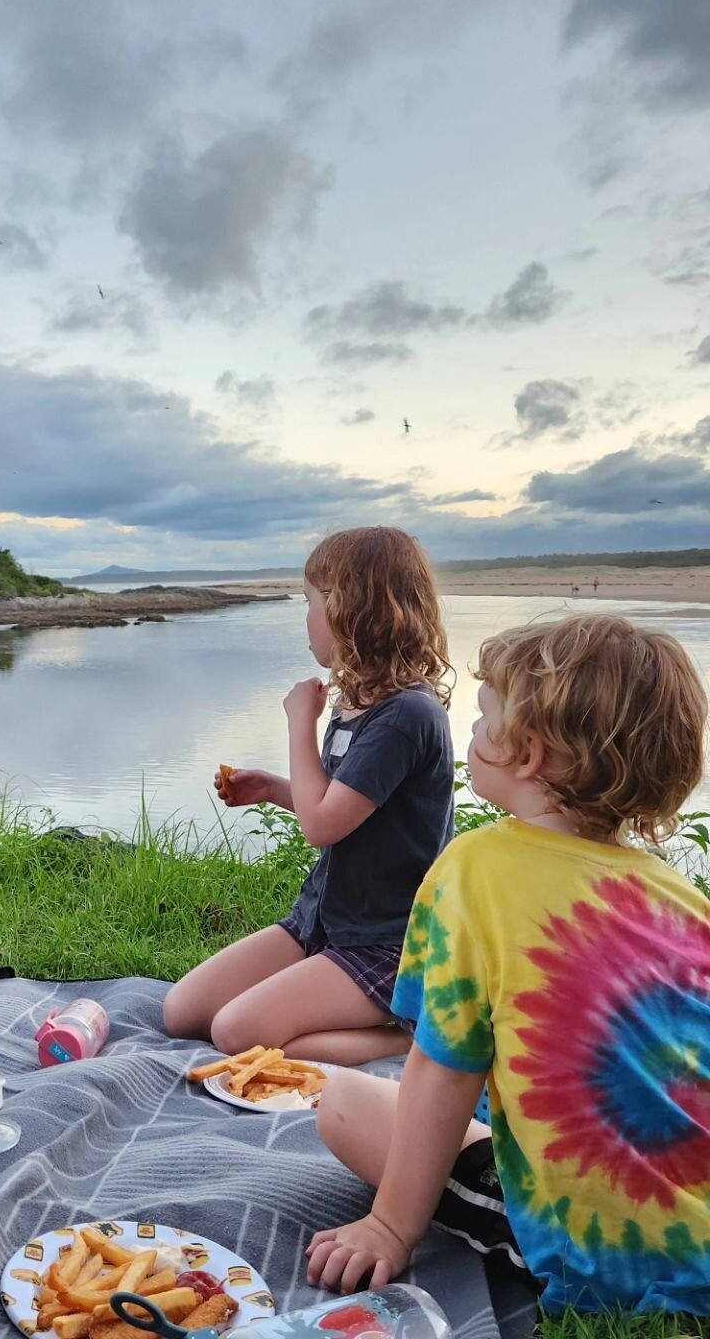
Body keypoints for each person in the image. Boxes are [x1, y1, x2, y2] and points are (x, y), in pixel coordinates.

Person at [307, 613, 709, 1311]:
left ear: (528, 753)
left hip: (620, 1249)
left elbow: (444, 1065)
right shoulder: (681, 896)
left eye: (484, 711)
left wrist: (390, 1225)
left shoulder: (477, 867)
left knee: (343, 1102)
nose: (469, 725)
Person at [163, 527, 454, 1065]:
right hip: (323, 919)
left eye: (311, 602)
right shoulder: (354, 706)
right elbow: (342, 810)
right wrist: (274, 789)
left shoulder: (407, 715)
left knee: (234, 1032)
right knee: (183, 1012)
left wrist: (299, 722)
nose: (306, 617)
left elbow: (321, 827)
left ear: (350, 610)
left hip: (387, 942)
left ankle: (412, 1037)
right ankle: (347, 1017)